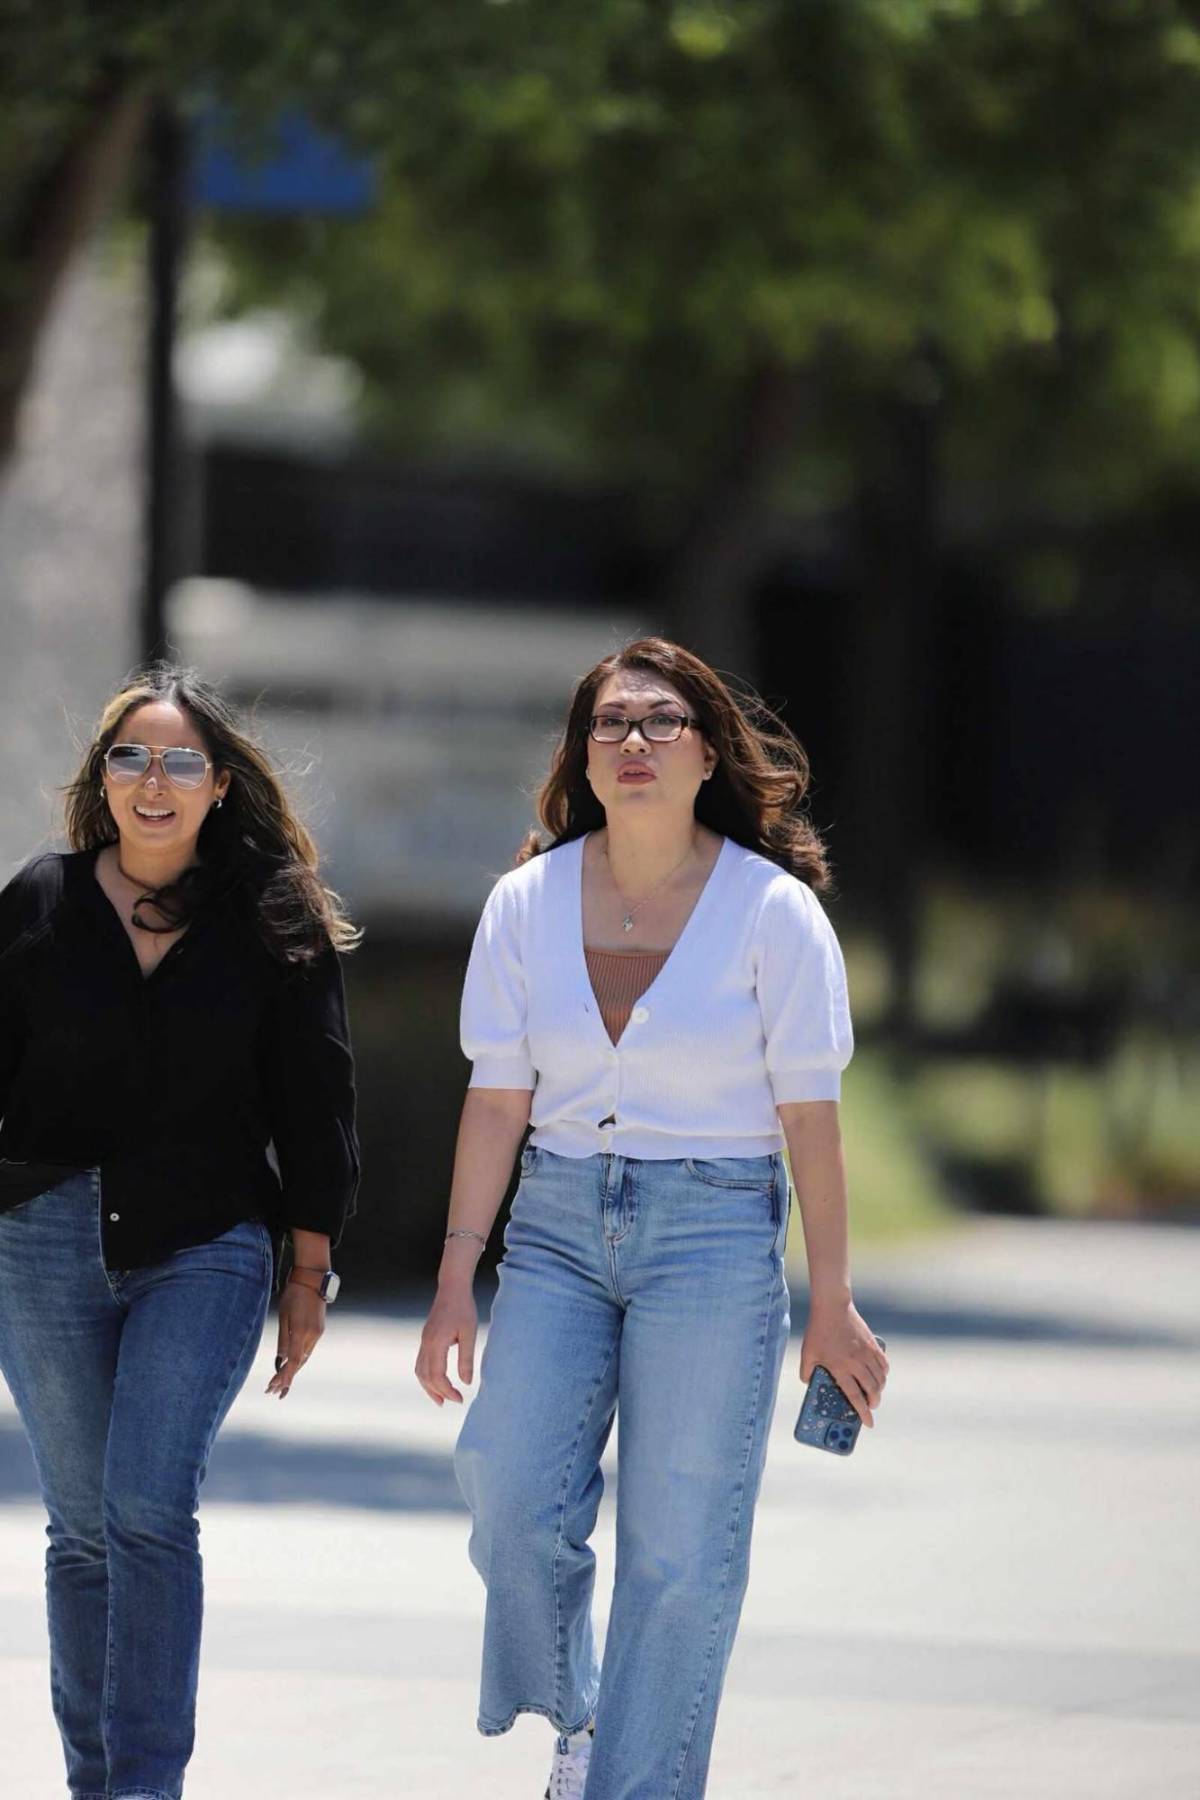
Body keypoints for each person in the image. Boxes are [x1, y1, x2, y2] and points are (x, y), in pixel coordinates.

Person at [416, 636, 889, 1799]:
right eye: (610, 725)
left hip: (717, 1232)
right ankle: (585, 1715)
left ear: (709, 751)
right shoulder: (525, 902)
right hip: (560, 1226)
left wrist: (831, 1301)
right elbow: (495, 1100)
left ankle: (637, 1781)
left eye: (660, 722)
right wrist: (452, 1277)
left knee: (680, 1554)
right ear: (581, 759)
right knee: (513, 1498)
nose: (634, 742)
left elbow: (812, 1124)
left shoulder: (774, 914)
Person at [0, 664, 359, 1800]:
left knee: (147, 1508)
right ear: (102, 778)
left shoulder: (271, 913)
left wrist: (308, 1270)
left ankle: (145, 1788)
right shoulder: (38, 901)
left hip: (206, 1244)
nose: (154, 782)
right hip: (44, 1242)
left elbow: (318, 1098)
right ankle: (96, 1782)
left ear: (217, 786)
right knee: (81, 1533)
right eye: (130, 757)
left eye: (181, 761)